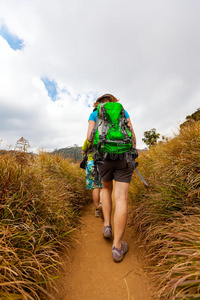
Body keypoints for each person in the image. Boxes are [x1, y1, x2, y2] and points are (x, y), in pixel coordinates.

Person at [87, 94, 136, 262]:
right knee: (121, 197)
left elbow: (89, 137)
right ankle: (117, 247)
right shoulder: (123, 112)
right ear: (114, 102)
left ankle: (107, 225)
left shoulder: (95, 113)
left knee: (106, 189)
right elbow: (133, 139)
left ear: (100, 103)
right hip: (124, 157)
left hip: (103, 158)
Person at [82, 138, 103, 217]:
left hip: (91, 163)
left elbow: (83, 152)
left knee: (95, 186)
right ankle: (102, 203)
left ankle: (97, 209)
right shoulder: (104, 136)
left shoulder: (89, 138)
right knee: (103, 186)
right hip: (103, 162)